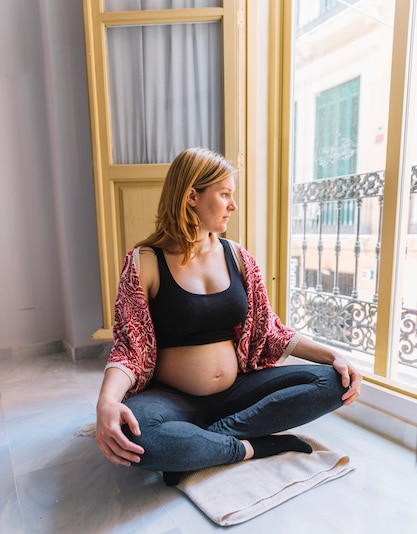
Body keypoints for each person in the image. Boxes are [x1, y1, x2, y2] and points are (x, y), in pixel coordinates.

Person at [95, 147, 362, 485]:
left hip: (237, 392)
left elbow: (270, 331)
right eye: (224, 195)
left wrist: (335, 356)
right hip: (172, 399)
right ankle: (252, 447)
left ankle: (202, 443)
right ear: (192, 196)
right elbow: (129, 348)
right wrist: (105, 402)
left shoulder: (238, 258)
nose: (233, 206)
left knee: (332, 383)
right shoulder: (145, 261)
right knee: (137, 435)